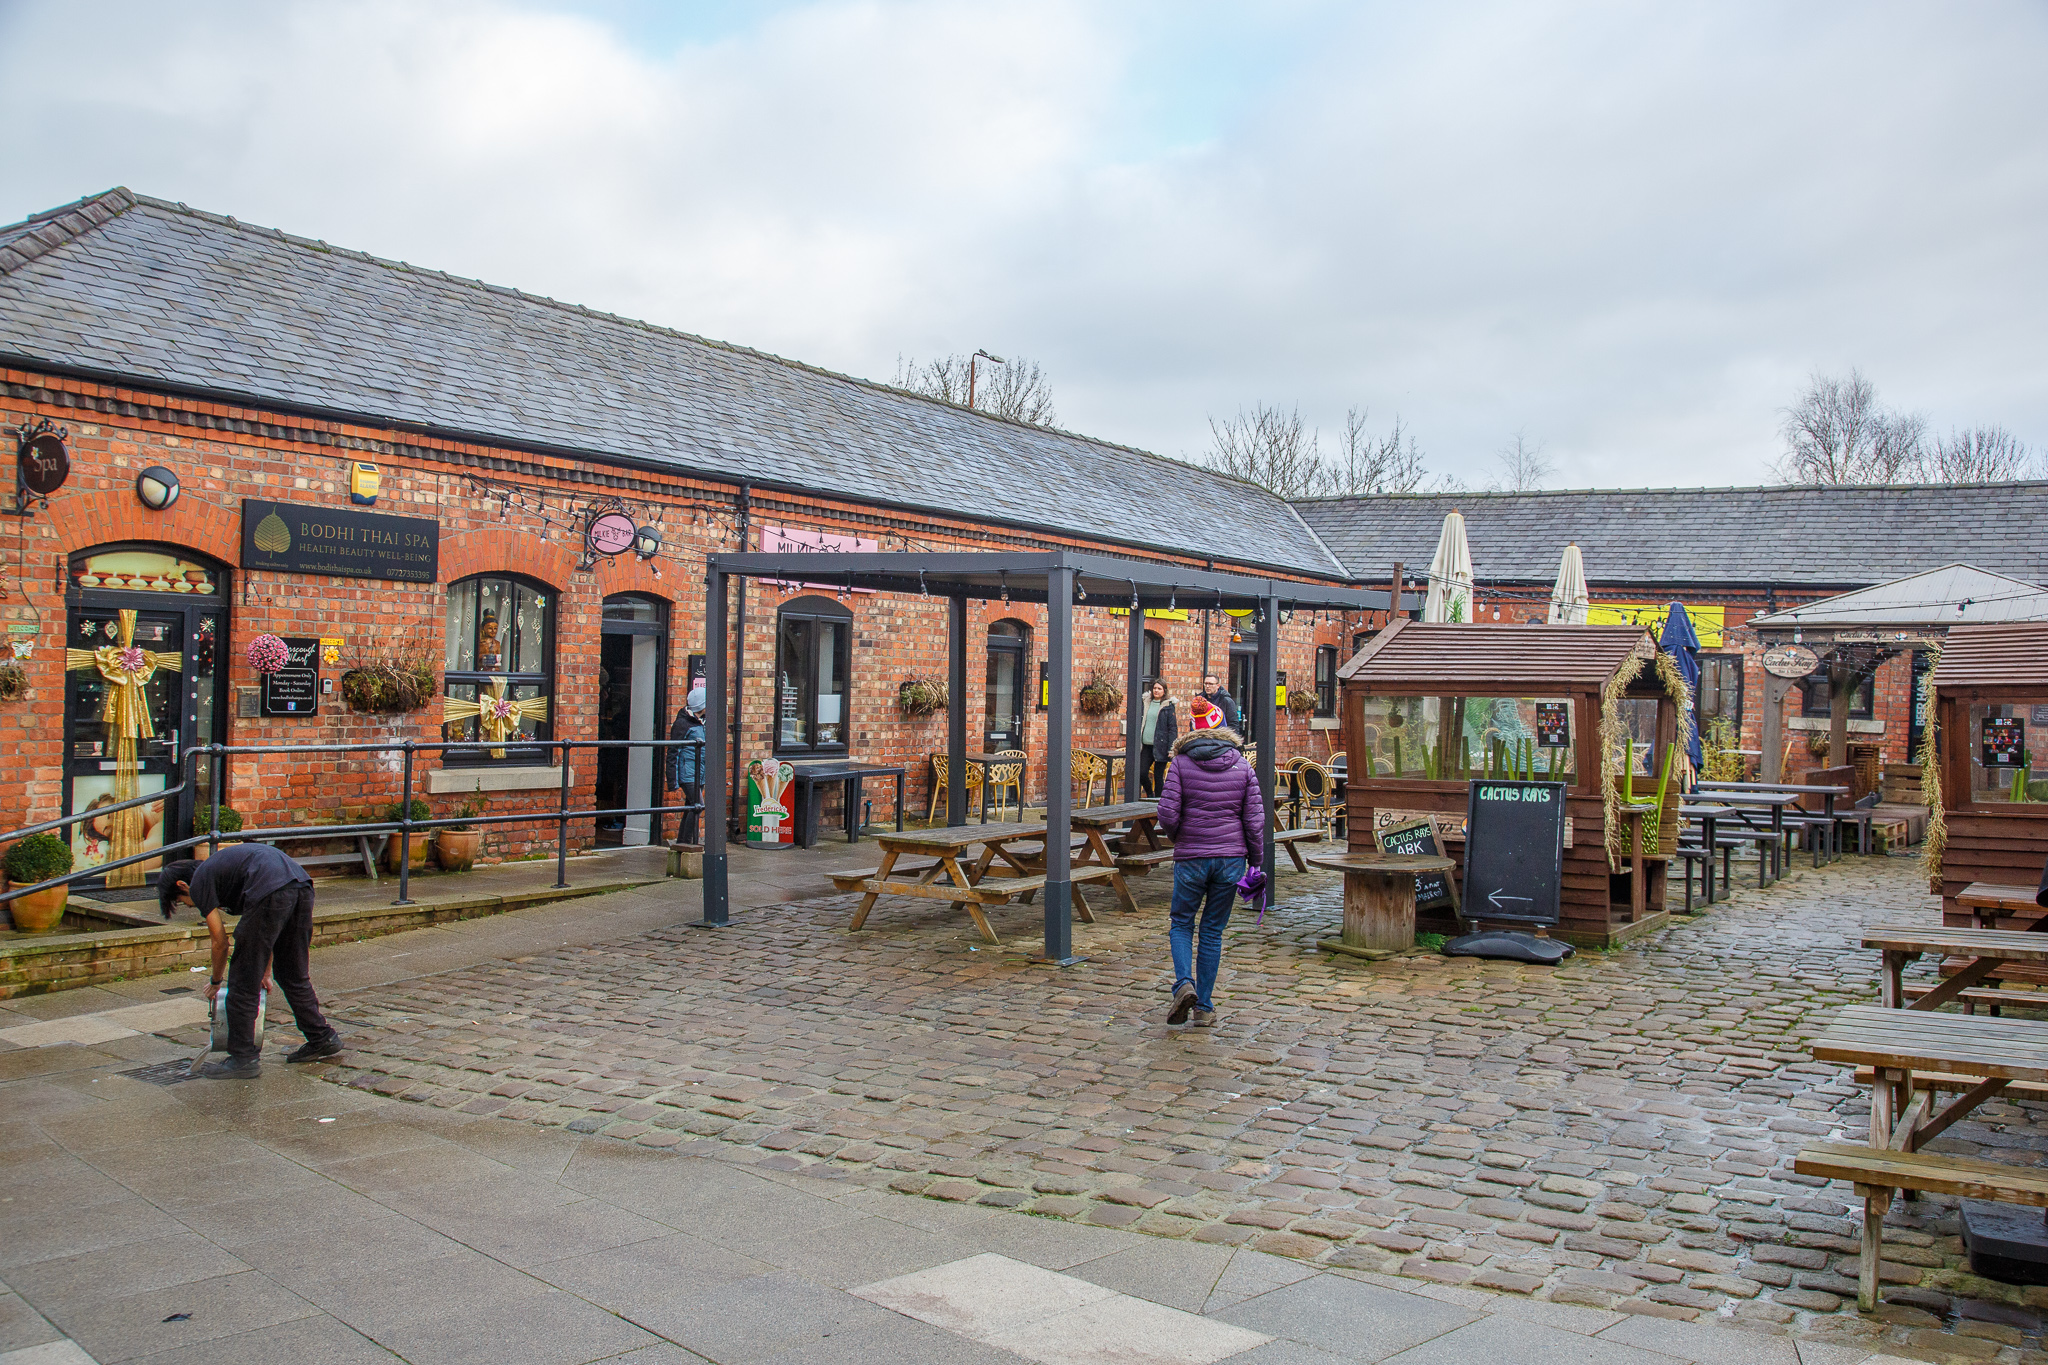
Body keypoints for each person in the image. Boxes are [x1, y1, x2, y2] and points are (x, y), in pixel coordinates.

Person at [158, 844, 342, 1078]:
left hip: (273, 888)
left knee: (243, 982)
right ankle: (322, 1037)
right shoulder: (222, 871)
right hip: (300, 885)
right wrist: (265, 971)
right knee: (292, 975)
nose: (191, 905)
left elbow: (220, 942)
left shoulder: (200, 880)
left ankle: (243, 1059)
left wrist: (216, 981)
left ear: (182, 885)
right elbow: (269, 927)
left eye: (184, 901)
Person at [1155, 702, 1262, 1027]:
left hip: (1192, 856)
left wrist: (1180, 837)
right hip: (1230, 859)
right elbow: (1254, 821)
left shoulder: (1180, 763)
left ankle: (1183, 984)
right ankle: (1203, 1008)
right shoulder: (1243, 766)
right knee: (1212, 931)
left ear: (1194, 729)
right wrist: (1255, 862)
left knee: (1181, 923)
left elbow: (1167, 813)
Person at [667, 680, 707, 844]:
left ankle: (682, 842)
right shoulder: (682, 724)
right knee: (698, 805)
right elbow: (673, 752)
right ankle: (688, 842)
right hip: (688, 772)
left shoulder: (702, 722)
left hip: (699, 772)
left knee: (691, 806)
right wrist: (673, 780)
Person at [1139, 679, 1178, 797]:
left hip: (1161, 746)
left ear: (1164, 691)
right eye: (1155, 688)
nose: (1156, 691)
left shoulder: (1168, 707)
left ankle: (1158, 801)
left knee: (1158, 776)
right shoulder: (1146, 703)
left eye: (1159, 689)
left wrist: (1171, 748)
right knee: (1141, 773)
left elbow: (1172, 729)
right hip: (1146, 746)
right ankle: (1150, 794)